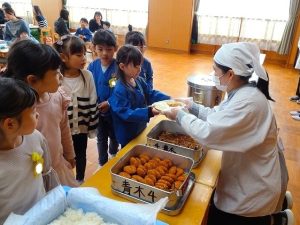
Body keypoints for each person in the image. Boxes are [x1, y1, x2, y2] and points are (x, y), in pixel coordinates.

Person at [163, 42, 293, 225]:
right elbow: (218, 117)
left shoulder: (248, 103)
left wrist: (180, 116)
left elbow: (209, 134)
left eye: (216, 72)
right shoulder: (242, 91)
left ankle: (275, 220)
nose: (214, 76)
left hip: (253, 190)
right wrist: (192, 107)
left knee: (218, 217)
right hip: (248, 171)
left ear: (230, 74)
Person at [4, 40, 78, 187]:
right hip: (31, 177)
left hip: (57, 167)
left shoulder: (57, 96)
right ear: (32, 80)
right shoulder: (17, 112)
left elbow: (63, 127)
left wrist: (69, 154)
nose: (61, 78)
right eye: (56, 74)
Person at [0, 77, 46, 224]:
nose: (37, 114)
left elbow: (44, 171)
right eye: (33, 112)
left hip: (43, 214)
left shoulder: (35, 137)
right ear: (10, 124)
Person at [54, 35, 98, 183]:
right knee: (64, 155)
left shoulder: (88, 76)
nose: (84, 58)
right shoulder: (57, 78)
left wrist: (91, 128)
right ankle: (66, 180)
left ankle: (80, 179)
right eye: (79, 55)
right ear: (64, 57)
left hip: (82, 127)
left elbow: (93, 101)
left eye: (84, 54)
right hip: (63, 131)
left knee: (81, 154)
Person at [109, 44, 170, 147]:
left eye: (140, 65)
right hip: (127, 133)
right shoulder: (119, 89)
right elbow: (126, 113)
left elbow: (150, 94)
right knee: (129, 151)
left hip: (140, 127)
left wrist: (169, 99)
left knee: (140, 144)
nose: (140, 69)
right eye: (136, 66)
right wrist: (149, 111)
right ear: (122, 67)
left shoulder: (138, 80)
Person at [87, 29, 119, 167]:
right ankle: (102, 162)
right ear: (94, 48)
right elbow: (88, 88)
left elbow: (120, 91)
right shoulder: (92, 66)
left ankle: (113, 152)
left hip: (114, 111)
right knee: (101, 138)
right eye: (100, 49)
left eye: (109, 49)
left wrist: (110, 102)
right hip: (97, 111)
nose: (105, 53)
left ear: (115, 49)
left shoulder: (118, 68)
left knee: (114, 135)